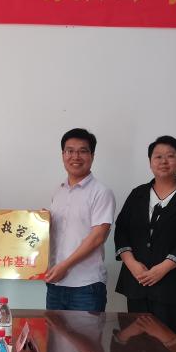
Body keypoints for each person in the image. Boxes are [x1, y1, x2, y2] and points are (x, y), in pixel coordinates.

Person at [114, 135, 176, 340]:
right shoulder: (137, 194)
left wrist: (162, 268)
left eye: (170, 156)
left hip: (173, 287)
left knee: (171, 345)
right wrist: (132, 264)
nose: (164, 161)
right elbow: (121, 229)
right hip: (138, 282)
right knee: (137, 347)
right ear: (150, 162)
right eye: (158, 157)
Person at [45, 128, 116, 312]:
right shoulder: (58, 191)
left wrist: (64, 266)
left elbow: (97, 237)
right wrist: (40, 223)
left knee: (87, 333)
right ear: (63, 155)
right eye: (70, 151)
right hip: (55, 284)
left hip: (86, 286)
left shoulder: (101, 192)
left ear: (92, 156)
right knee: (53, 332)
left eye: (82, 151)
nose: (75, 156)